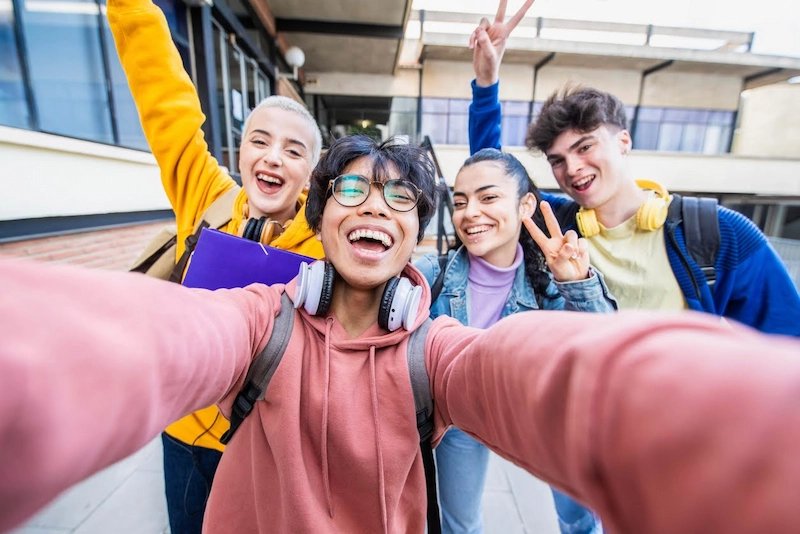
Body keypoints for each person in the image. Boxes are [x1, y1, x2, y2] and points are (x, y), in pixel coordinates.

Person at [3, 132, 800, 533]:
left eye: (400, 199)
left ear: (419, 233)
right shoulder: (255, 319)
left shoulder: (439, 349)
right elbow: (151, 336)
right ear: (320, 222)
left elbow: (543, 373)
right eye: (351, 189)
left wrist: (728, 429)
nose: (375, 205)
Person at [106, 0, 326, 531]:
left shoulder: (324, 242)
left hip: (264, 444)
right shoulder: (205, 194)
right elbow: (168, 101)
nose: (273, 157)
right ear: (241, 152)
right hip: (183, 434)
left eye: (293, 151)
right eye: (260, 141)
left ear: (312, 172)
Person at [468, 2, 800, 336]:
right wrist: (486, 82)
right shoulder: (558, 224)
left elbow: (786, 343)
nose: (573, 168)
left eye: (585, 147)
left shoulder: (718, 233)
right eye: (557, 160)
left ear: (623, 141)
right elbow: (494, 173)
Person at [415, 147, 615, 534]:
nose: (470, 212)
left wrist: (577, 283)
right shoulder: (429, 275)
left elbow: (603, 349)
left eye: (488, 197)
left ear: (525, 205)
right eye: (460, 201)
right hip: (462, 417)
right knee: (459, 524)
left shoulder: (554, 280)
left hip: (538, 416)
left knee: (583, 520)